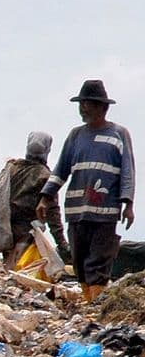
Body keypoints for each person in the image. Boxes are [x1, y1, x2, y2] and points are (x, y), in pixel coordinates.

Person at [41, 79, 136, 302]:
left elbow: (128, 171)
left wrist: (128, 205)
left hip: (105, 211)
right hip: (76, 210)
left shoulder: (119, 135)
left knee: (99, 262)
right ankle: (88, 303)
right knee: (80, 262)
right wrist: (45, 198)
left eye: (89, 104)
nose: (84, 108)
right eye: (82, 104)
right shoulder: (75, 136)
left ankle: (94, 306)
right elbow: (61, 169)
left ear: (103, 107)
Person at [6, 132, 66, 262]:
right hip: (27, 235)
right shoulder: (46, 177)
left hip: (5, 231)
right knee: (22, 270)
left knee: (9, 269)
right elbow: (52, 213)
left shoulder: (12, 169)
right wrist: (62, 245)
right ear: (47, 150)